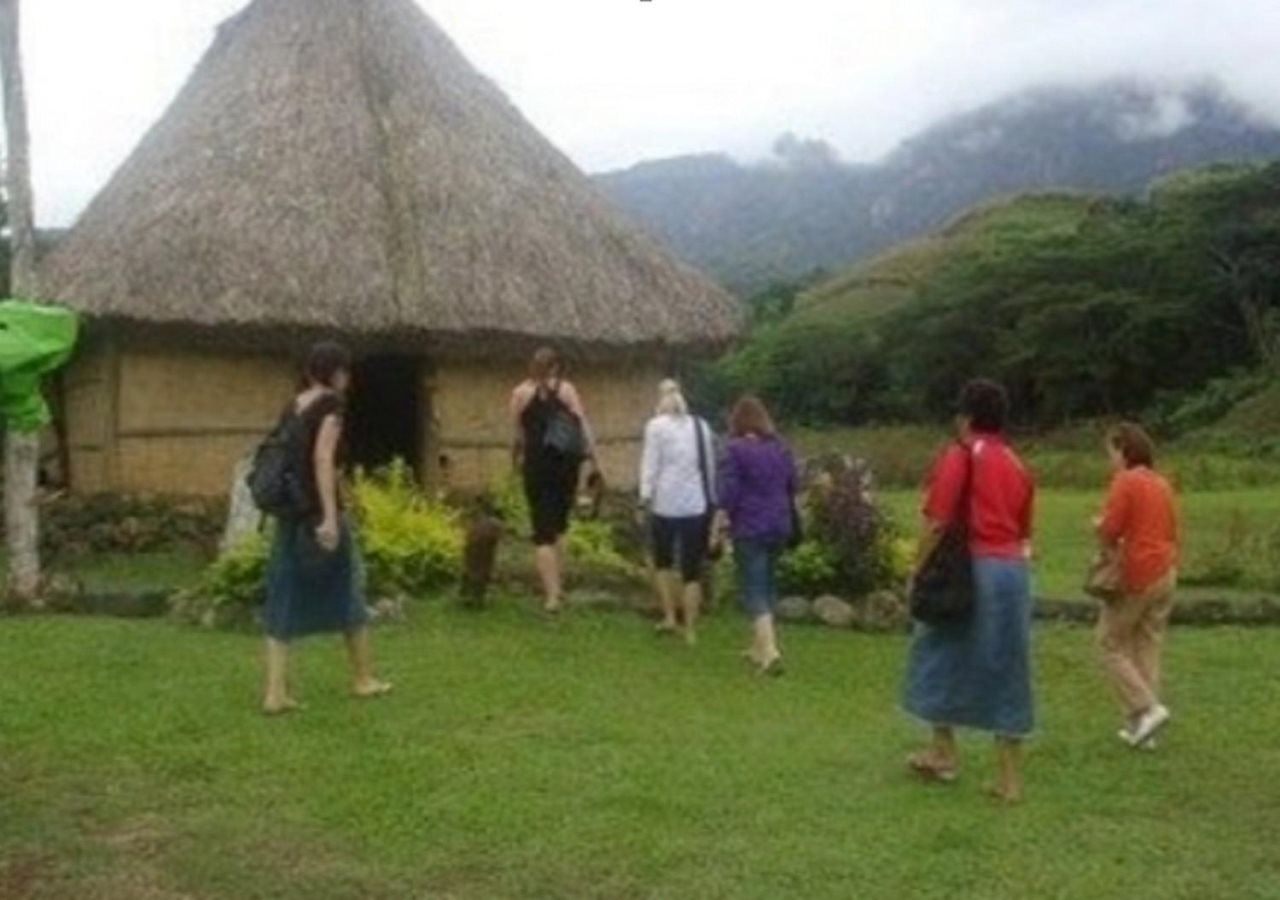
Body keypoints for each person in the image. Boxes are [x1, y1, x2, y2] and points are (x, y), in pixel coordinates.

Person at [903, 379, 1035, 803]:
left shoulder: (960, 455)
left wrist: (916, 567)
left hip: (969, 567)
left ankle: (944, 750)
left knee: (939, 648)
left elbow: (938, 519)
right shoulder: (1017, 463)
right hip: (1012, 570)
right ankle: (1009, 779)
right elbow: (1025, 529)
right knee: (1007, 664)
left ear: (964, 417)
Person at [262, 342, 391, 715]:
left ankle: (275, 692)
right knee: (348, 590)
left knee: (283, 594)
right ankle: (363, 679)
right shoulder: (331, 406)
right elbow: (322, 458)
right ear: (335, 372)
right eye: (345, 371)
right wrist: (330, 517)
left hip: (291, 513)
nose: (348, 379)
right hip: (317, 514)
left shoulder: (294, 405)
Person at [1095, 423, 1180, 749]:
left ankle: (1147, 708)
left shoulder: (1126, 481)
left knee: (1109, 642)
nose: (1110, 460)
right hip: (1165, 570)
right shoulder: (1161, 482)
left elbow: (1111, 527)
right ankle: (1142, 729)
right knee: (1146, 646)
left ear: (1123, 450)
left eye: (1111, 452)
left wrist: (1099, 527)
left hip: (1138, 572)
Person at [511, 347, 597, 613]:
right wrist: (593, 457)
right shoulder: (568, 390)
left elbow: (518, 435)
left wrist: (517, 461)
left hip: (537, 467)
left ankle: (552, 595)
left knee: (542, 533)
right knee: (560, 526)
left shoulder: (520, 394)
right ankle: (559, 587)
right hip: (565, 468)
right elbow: (583, 426)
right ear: (556, 368)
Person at [717, 396, 797, 675]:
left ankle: (770, 652)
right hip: (779, 523)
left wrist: (721, 517)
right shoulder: (781, 448)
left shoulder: (735, 449)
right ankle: (756, 646)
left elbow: (730, 491)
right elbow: (792, 483)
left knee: (753, 587)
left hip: (750, 525)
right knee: (768, 583)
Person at [639, 379, 717, 645]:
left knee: (663, 561)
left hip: (664, 504)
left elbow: (650, 464)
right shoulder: (701, 426)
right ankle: (691, 629)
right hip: (695, 504)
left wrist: (644, 497)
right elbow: (709, 466)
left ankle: (671, 616)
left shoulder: (655, 426)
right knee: (691, 568)